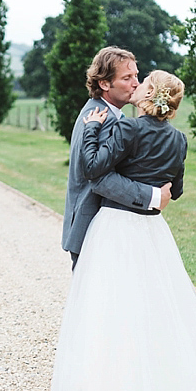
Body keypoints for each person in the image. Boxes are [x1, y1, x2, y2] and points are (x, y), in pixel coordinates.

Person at [48, 70, 196, 391]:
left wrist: (97, 132)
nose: (136, 83)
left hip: (116, 229)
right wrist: (156, 185)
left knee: (110, 315)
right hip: (153, 234)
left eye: (142, 80)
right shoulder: (179, 139)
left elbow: (95, 168)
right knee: (153, 316)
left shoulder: (128, 130)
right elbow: (176, 190)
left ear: (150, 94)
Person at [61, 47, 171, 270]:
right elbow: (100, 179)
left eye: (137, 76)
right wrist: (153, 196)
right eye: (127, 78)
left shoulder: (101, 113)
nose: (136, 84)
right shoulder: (103, 119)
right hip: (94, 228)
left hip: (99, 228)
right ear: (104, 84)